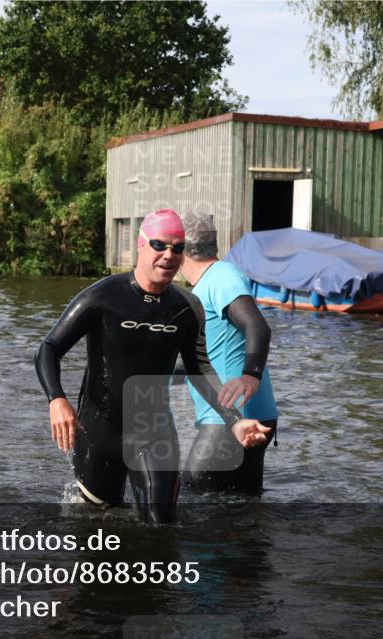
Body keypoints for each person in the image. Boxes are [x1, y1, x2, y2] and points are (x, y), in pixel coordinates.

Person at [35, 209, 270, 523]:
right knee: (93, 526)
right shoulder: (103, 297)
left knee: (161, 527)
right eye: (160, 245)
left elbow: (199, 371)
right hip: (99, 432)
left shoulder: (187, 307)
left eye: (177, 248)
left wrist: (235, 421)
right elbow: (48, 349)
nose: (168, 255)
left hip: (154, 431)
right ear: (141, 245)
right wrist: (57, 400)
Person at [178, 211, 278, 493]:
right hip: (253, 415)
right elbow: (212, 355)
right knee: (242, 513)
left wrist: (251, 376)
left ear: (183, 249)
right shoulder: (210, 282)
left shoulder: (221, 276)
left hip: (227, 418)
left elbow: (258, 327)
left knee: (193, 501)